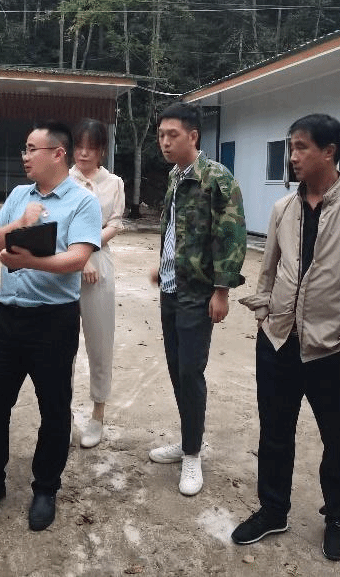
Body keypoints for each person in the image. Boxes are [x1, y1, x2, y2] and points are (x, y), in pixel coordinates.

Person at [232, 113, 340, 561]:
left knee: (336, 437)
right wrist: (264, 313)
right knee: (274, 432)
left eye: (301, 147)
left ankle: (337, 515)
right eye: (291, 147)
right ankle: (273, 510)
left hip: (332, 347)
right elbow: (268, 269)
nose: (293, 156)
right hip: (278, 340)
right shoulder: (283, 208)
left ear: (329, 152)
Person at [0, 121, 101, 531]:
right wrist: (19, 224)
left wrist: (30, 261)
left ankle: (46, 488)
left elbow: (77, 258)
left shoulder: (83, 202)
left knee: (54, 408)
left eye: (33, 149)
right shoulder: (19, 195)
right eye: (24, 148)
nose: (25, 156)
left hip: (54, 320)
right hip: (7, 316)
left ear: (58, 154)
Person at [148, 101, 247, 496]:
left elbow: (231, 236)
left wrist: (222, 291)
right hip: (171, 288)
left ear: (193, 136)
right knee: (177, 369)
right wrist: (162, 264)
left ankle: (192, 454)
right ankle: (189, 439)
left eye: (172, 135)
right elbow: (176, 229)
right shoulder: (175, 177)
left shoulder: (216, 178)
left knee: (191, 371)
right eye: (161, 135)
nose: (165, 142)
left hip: (198, 291)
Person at [69, 118, 125, 449]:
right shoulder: (64, 179)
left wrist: (88, 251)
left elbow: (114, 224)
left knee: (100, 341)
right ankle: (60, 414)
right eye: (79, 146)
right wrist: (79, 258)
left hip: (99, 264)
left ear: (102, 150)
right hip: (64, 264)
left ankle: (98, 414)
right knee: (62, 343)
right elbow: (59, 223)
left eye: (91, 148)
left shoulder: (114, 183)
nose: (84, 153)